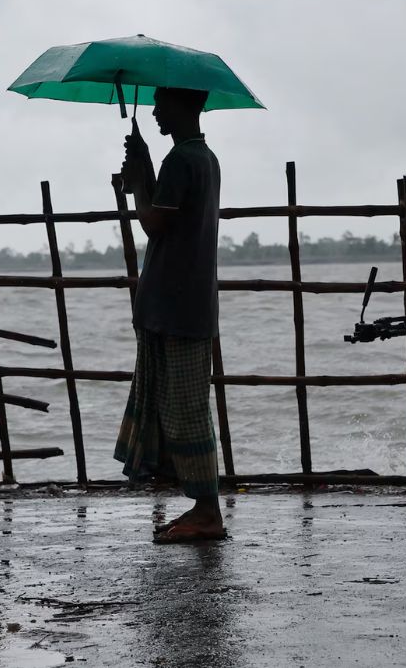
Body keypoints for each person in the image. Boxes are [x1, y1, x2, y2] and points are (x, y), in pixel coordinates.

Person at [114, 87, 225, 542]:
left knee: (185, 410)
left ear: (183, 106)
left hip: (176, 302)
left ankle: (207, 510)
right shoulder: (204, 157)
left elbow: (154, 223)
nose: (156, 111)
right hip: (180, 300)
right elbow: (167, 214)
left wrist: (141, 179)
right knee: (177, 404)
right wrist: (142, 172)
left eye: (162, 103)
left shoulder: (182, 160)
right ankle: (201, 505)